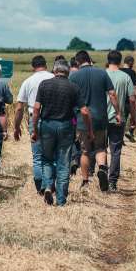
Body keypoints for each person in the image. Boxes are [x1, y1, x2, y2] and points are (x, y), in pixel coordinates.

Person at [31, 59, 92, 206]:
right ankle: (61, 200)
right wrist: (89, 129)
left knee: (46, 159)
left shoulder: (44, 85)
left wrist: (34, 129)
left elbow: (36, 108)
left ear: (54, 70)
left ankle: (47, 186)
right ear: (68, 71)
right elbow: (84, 111)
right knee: (63, 162)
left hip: (47, 125)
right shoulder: (73, 87)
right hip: (65, 126)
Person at [69, 50, 121, 192]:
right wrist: (118, 113)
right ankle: (102, 169)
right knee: (100, 147)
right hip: (100, 118)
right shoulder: (102, 73)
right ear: (89, 59)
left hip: (81, 119)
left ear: (78, 62)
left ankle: (85, 182)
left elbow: (70, 99)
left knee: (85, 151)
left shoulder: (74, 77)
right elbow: (112, 94)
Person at [13, 55, 54, 193]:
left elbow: (19, 108)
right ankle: (49, 184)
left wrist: (17, 126)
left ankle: (39, 186)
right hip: (53, 119)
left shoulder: (28, 81)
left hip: (34, 119)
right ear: (46, 65)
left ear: (32, 67)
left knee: (37, 156)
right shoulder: (54, 78)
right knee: (51, 154)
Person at [106, 51, 136, 192]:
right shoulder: (125, 77)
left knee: (99, 148)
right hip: (118, 118)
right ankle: (112, 181)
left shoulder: (101, 75)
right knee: (115, 150)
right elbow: (132, 99)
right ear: (120, 61)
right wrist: (133, 116)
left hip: (101, 118)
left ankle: (99, 170)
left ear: (108, 60)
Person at [121, 55, 136, 142]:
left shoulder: (119, 71)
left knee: (123, 119)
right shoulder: (132, 72)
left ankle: (120, 138)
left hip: (120, 99)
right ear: (131, 62)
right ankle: (131, 130)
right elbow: (135, 87)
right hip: (131, 99)